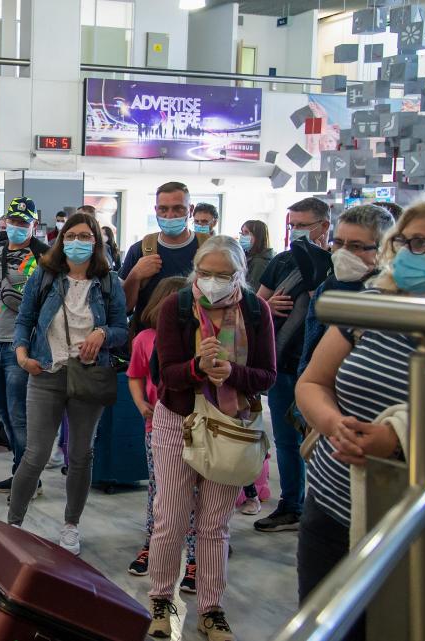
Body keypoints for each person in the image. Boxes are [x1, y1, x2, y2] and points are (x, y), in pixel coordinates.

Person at [295, 199, 425, 641]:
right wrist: (333, 424)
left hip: (423, 518)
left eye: (420, 244)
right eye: (400, 241)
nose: (403, 253)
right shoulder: (372, 308)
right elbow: (314, 382)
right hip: (331, 503)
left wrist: (397, 441)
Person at [147, 236, 276, 641]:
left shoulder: (256, 311)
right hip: (179, 419)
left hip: (230, 424)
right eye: (206, 274)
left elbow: (267, 374)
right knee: (170, 516)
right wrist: (198, 368)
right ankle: (162, 602)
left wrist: (231, 374)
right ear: (194, 273)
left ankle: (211, 607)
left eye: (224, 275)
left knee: (215, 523)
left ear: (240, 274)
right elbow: (164, 374)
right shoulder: (177, 306)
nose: (214, 282)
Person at [10, 212, 128, 554]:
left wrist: (103, 332)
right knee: (35, 454)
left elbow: (123, 328)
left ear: (96, 241)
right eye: (71, 235)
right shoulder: (45, 275)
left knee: (80, 454)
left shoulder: (108, 282)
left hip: (89, 375)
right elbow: (25, 317)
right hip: (46, 371)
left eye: (85, 236)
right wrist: (20, 353)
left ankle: (71, 525)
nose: (78, 241)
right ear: (62, 240)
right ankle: (13, 523)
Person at [254, 197, 332, 533]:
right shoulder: (282, 262)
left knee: (328, 440)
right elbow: (254, 303)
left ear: (323, 225)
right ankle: (291, 504)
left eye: (302, 224)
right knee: (286, 440)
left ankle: (329, 509)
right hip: (284, 363)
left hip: (326, 367)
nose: (296, 231)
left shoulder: (338, 266)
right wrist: (268, 304)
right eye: (292, 225)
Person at [0, 197, 50, 494]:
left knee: (20, 415)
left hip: (20, 345)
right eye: (13, 221)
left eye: (24, 223)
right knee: (2, 413)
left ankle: (28, 480)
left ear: (34, 225)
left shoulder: (44, 256)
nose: (17, 227)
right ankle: (20, 471)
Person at [126, 276, 188, 577]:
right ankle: (152, 542)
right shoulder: (144, 339)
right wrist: (140, 404)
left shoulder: (200, 338)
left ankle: (194, 554)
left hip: (195, 426)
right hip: (157, 426)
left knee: (197, 495)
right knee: (159, 489)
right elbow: (135, 375)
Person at [297, 205, 395, 376]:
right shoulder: (328, 287)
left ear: (384, 248)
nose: (343, 253)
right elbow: (310, 350)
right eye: (339, 243)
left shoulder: (392, 295)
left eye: (356, 246)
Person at [119, 182, 205, 326]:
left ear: (190, 210)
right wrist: (135, 275)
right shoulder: (139, 250)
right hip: (149, 339)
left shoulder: (208, 249)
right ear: (156, 210)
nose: (170, 215)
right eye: (163, 209)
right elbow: (123, 308)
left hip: (199, 339)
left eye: (178, 208)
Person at [240, 220, 275, 291]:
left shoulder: (260, 262)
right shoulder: (250, 256)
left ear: (258, 236)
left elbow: (253, 291)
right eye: (242, 233)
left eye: (246, 233)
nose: (242, 236)